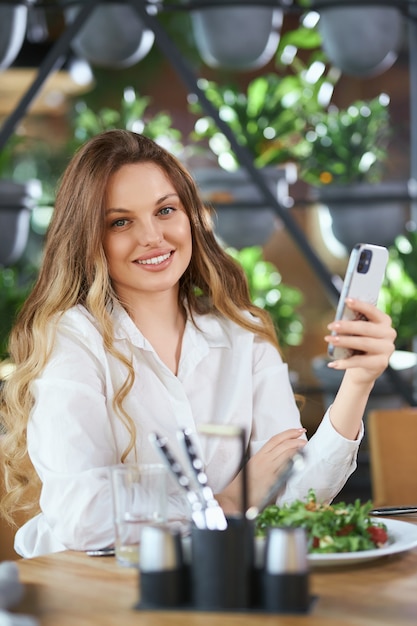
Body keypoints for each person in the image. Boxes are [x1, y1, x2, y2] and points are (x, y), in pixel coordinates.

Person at [0, 130, 396, 558]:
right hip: (91, 592)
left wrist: (358, 382)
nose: (153, 236)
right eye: (120, 221)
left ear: (190, 215)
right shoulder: (73, 339)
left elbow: (293, 497)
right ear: (88, 238)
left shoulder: (243, 333)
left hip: (212, 581)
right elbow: (85, 517)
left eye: (165, 210)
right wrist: (225, 503)